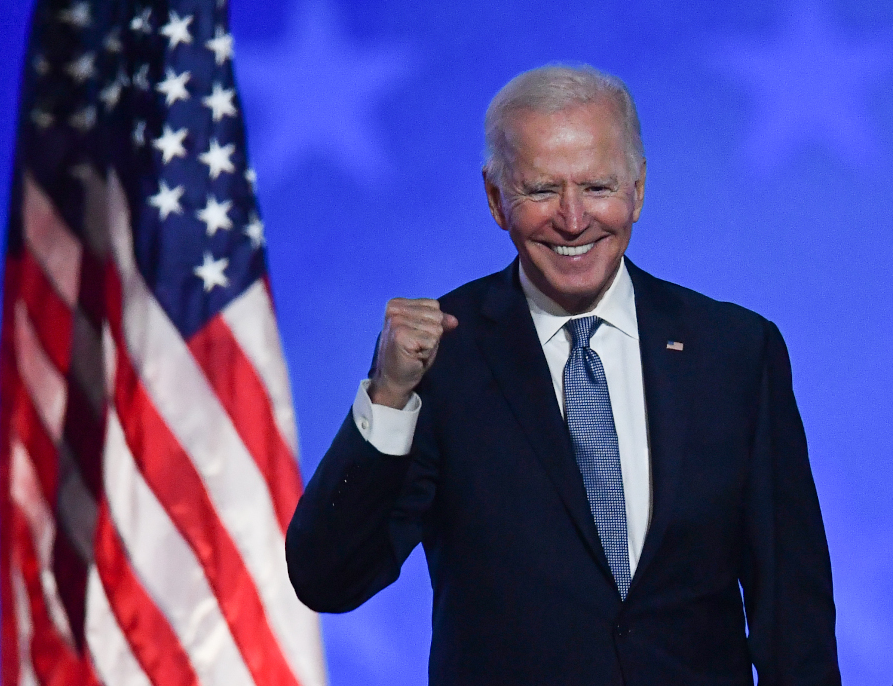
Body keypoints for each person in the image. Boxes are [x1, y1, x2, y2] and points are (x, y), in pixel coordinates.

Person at [286, 64, 840, 685]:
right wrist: (389, 397)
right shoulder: (442, 357)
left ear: (638, 187)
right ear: (496, 198)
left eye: (598, 187)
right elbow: (327, 579)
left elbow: (794, 613)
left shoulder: (735, 351)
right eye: (543, 190)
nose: (573, 220)